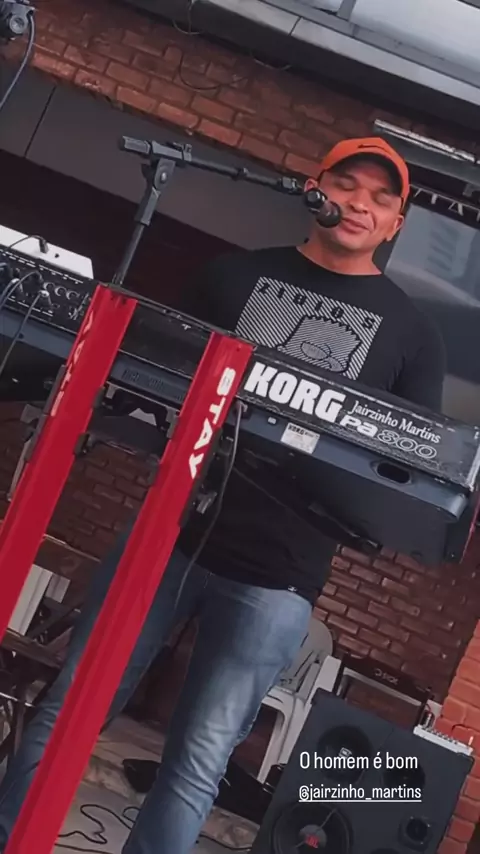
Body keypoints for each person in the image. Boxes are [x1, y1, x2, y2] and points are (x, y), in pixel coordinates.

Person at [0, 137, 445, 854]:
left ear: (397, 222)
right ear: (316, 187)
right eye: (347, 184)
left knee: (198, 761)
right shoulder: (232, 277)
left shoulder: (415, 337)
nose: (360, 203)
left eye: (380, 197)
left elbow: (411, 468)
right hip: (167, 537)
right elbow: (153, 378)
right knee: (72, 707)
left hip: (279, 576)